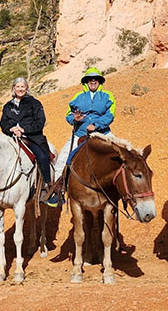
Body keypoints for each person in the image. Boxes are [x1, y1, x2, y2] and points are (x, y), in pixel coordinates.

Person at [45, 67, 116, 207]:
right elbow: (68, 114)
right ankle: (58, 193)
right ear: (86, 82)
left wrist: (96, 124)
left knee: (122, 154)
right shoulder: (77, 97)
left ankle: (123, 191)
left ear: (100, 81)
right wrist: (74, 119)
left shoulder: (108, 96)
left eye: (96, 79)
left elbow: (110, 115)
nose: (93, 81)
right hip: (80, 133)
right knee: (63, 160)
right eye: (90, 79)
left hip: (103, 132)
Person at [0, 77, 52, 196]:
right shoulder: (8, 106)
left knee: (43, 157)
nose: (20, 89)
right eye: (17, 86)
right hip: (12, 137)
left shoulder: (35, 103)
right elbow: (3, 122)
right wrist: (11, 129)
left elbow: (40, 121)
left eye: (22, 86)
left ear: (27, 88)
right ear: (13, 88)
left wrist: (23, 130)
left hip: (32, 138)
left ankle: (47, 186)